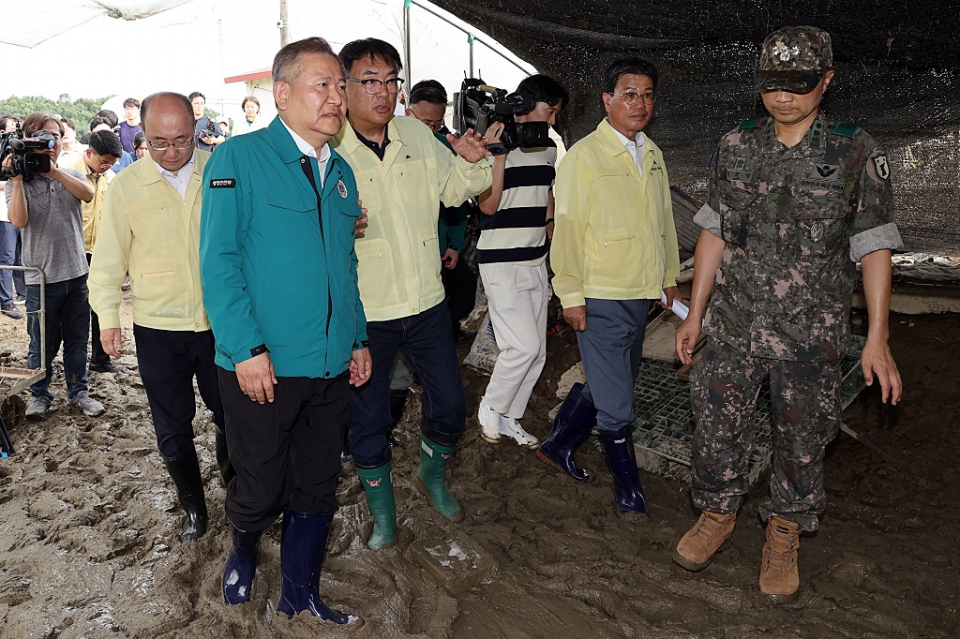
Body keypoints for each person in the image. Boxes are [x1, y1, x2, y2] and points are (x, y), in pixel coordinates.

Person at [672, 26, 903, 602]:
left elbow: (874, 246)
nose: (785, 98)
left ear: (827, 80)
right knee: (717, 426)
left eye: (800, 85)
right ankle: (717, 513)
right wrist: (694, 314)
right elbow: (713, 233)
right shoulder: (735, 146)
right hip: (734, 324)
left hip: (811, 333)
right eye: (774, 85)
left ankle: (785, 527)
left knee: (802, 438)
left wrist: (878, 339)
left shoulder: (855, 150)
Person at [200, 37, 369, 623]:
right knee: (261, 481)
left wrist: (359, 337)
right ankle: (243, 546)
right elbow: (218, 263)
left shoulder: (341, 171)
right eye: (322, 84)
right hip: (262, 364)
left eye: (341, 86)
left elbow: (344, 267)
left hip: (329, 364)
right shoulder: (239, 159)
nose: (337, 98)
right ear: (282, 92)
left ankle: (302, 592)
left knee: (318, 482)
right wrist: (245, 349)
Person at [332, 38, 491, 551]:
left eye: (391, 80)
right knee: (369, 419)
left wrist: (471, 160)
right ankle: (383, 517)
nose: (384, 92)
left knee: (450, 405)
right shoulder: (327, 148)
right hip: (367, 313)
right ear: (345, 86)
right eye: (370, 82)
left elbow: (453, 192)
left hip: (425, 302)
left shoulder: (416, 137)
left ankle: (433, 475)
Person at [89, 93, 232, 544]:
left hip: (222, 323)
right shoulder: (128, 185)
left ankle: (239, 490)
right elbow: (109, 258)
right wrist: (108, 317)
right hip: (158, 328)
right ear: (142, 138)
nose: (172, 152)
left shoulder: (224, 171)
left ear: (197, 129)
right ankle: (194, 507)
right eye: (159, 142)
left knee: (234, 416)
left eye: (182, 140)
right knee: (172, 424)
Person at [544, 58, 682, 518]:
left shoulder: (654, 154)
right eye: (628, 94)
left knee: (616, 376)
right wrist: (571, 295)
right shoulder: (584, 157)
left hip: (640, 291)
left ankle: (560, 443)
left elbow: (664, 222)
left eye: (646, 95)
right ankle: (630, 491)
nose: (638, 103)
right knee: (618, 404)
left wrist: (668, 278)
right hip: (600, 292)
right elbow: (565, 229)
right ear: (607, 100)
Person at [475, 74, 568, 449]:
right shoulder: (492, 145)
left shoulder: (548, 148)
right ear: (526, 107)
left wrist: (550, 227)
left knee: (538, 352)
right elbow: (488, 206)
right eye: (550, 112)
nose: (553, 121)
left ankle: (510, 416)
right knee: (523, 348)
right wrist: (496, 155)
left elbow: (546, 191)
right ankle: (490, 406)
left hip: (535, 259)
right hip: (500, 260)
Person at [4, 112, 103, 419]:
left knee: (77, 339)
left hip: (76, 272)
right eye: (42, 137)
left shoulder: (70, 171)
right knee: (41, 343)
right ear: (29, 140)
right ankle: (40, 394)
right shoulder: (19, 178)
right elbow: (18, 220)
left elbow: (87, 194)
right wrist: (18, 180)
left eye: (56, 137)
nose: (50, 143)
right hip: (40, 278)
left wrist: (55, 173)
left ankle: (79, 392)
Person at [68, 129, 122, 374]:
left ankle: (100, 359)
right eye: (104, 162)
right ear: (89, 152)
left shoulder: (109, 177)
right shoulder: (70, 173)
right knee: (78, 310)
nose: (107, 167)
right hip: (75, 251)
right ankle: (75, 362)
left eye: (112, 163)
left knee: (102, 305)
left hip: (101, 250)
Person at [0, 115, 24, 319]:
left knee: (18, 256)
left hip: (19, 211)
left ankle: (22, 293)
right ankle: (6, 301)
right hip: (4, 214)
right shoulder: (3, 153)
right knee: (7, 258)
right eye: (13, 130)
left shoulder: (22, 152)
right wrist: (12, 181)